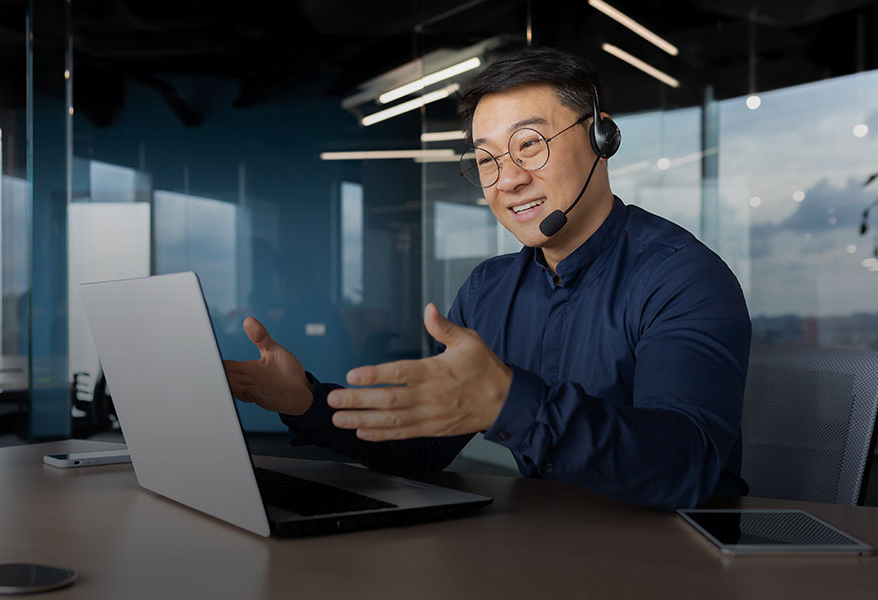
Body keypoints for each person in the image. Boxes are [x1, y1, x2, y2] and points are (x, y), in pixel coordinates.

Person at [224, 47, 751, 511]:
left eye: (529, 145)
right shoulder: (489, 290)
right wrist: (306, 403)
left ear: (601, 136)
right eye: (486, 160)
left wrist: (510, 402)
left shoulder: (681, 275)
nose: (509, 178)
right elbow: (427, 446)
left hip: (676, 553)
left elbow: (686, 464)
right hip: (543, 545)